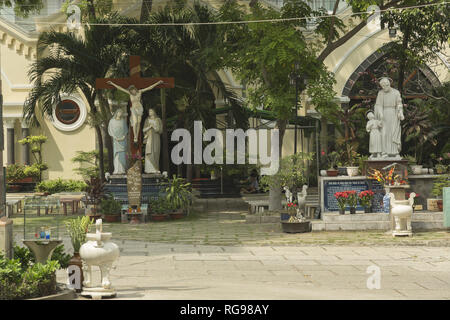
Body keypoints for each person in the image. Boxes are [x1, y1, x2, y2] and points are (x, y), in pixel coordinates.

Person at [374, 77, 404, 159]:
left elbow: (399, 104)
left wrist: (400, 112)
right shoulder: (380, 93)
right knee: (384, 133)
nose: (384, 88)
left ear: (389, 84)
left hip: (393, 114)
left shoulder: (396, 92)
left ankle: (395, 152)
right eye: (382, 86)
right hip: (384, 115)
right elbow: (378, 105)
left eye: (385, 85)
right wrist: (380, 114)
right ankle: (384, 152)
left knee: (394, 132)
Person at [108, 108, 128, 174]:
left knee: (122, 154)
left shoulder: (123, 121)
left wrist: (123, 137)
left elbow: (126, 131)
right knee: (116, 155)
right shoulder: (112, 121)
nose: (120, 114)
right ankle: (116, 170)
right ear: (116, 113)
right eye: (119, 112)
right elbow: (110, 130)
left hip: (122, 141)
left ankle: (122, 170)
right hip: (116, 141)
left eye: (121, 113)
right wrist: (115, 137)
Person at [143, 109, 163, 174]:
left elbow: (160, 130)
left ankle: (155, 168)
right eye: (149, 111)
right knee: (149, 153)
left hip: (156, 138)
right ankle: (149, 169)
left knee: (155, 152)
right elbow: (143, 130)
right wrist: (149, 127)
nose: (150, 112)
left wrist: (153, 126)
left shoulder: (158, 120)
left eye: (151, 111)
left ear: (154, 112)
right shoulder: (147, 120)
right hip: (149, 139)